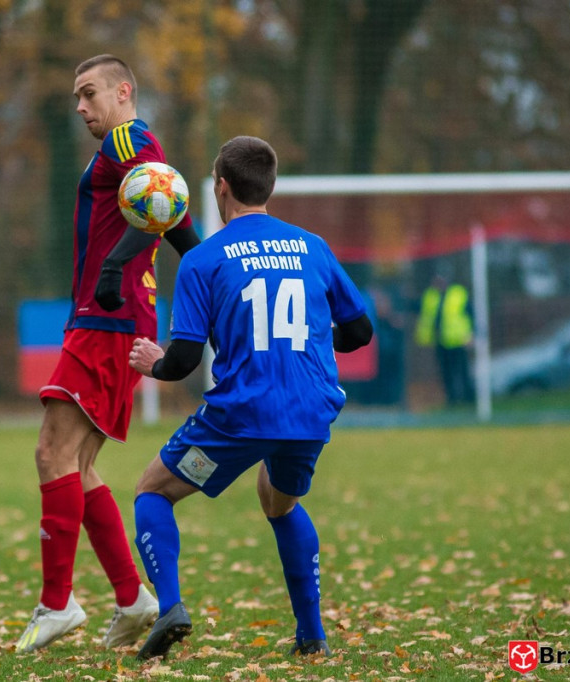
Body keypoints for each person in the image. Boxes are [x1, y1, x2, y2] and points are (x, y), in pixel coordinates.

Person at [127, 136, 373, 660]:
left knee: (152, 491)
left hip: (242, 414)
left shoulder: (203, 259)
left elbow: (185, 359)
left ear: (220, 186)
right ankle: (312, 637)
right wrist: (308, 339)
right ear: (271, 186)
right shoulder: (312, 245)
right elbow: (359, 332)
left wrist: (154, 364)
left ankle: (170, 606)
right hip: (310, 409)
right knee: (279, 500)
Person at [15, 54, 201, 653]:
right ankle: (131, 597)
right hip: (116, 318)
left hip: (107, 318)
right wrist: (205, 269)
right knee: (79, 465)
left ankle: (57, 603)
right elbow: (171, 213)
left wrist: (116, 266)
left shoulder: (128, 137)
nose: (80, 107)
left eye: (89, 93)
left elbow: (162, 200)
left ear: (124, 92)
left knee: (51, 451)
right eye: (77, 96)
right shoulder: (137, 147)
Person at [414, 273, 474, 405]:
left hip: (458, 341)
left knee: (462, 371)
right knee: (446, 373)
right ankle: (452, 399)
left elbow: (470, 313)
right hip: (440, 341)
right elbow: (423, 313)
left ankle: (469, 398)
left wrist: (471, 334)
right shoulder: (430, 296)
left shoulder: (458, 293)